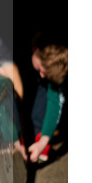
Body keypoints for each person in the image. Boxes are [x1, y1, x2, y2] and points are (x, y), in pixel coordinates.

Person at [25, 33, 67, 163]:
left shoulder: (54, 67)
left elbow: (55, 103)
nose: (42, 75)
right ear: (36, 50)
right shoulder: (41, 47)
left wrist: (43, 142)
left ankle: (42, 141)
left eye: (44, 72)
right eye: (41, 70)